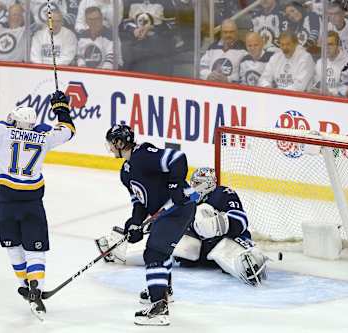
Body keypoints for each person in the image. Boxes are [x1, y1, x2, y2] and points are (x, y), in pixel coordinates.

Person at [0, 88, 75, 320]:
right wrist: (61, 108)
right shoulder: (44, 134)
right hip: (32, 200)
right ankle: (36, 288)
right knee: (36, 248)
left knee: (12, 245)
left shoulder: (3, 132)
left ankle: (26, 284)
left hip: (6, 200)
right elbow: (68, 130)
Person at [96, 167, 269, 299]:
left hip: (222, 243)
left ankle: (246, 262)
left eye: (197, 183)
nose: (193, 187)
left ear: (208, 184)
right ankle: (121, 252)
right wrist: (139, 228)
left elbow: (241, 221)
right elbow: (165, 218)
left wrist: (216, 225)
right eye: (193, 183)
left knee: (203, 213)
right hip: (198, 251)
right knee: (173, 242)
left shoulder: (223, 194)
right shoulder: (186, 196)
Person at [105, 124, 197, 326]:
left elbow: (177, 159)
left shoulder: (143, 155)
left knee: (154, 253)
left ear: (120, 143)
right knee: (160, 250)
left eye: (111, 143)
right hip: (164, 213)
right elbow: (139, 202)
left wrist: (175, 185)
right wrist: (135, 223)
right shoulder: (126, 172)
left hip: (178, 209)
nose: (110, 147)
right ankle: (164, 290)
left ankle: (159, 308)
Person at [200, 19, 247, 83]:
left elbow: (245, 74)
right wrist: (208, 75)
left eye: (231, 32)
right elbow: (202, 66)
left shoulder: (243, 49)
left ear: (236, 32)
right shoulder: (212, 47)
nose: (228, 35)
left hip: (232, 89)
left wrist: (228, 79)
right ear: (221, 33)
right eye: (225, 32)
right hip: (211, 87)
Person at [311, 31, 348, 95]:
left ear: (338, 45)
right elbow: (316, 84)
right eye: (324, 44)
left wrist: (331, 93)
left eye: (330, 44)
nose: (327, 48)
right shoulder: (320, 62)